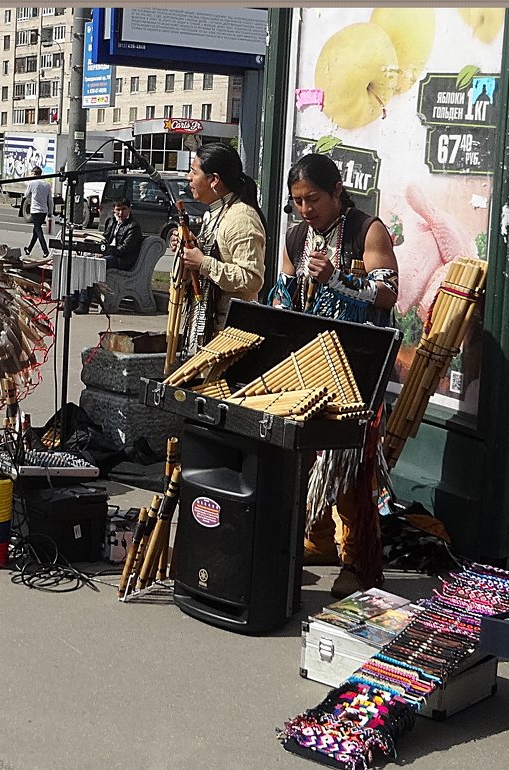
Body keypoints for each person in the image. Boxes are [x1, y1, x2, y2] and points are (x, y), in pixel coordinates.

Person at [271, 152, 399, 597]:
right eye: (298, 201)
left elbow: (387, 294)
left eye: (314, 199)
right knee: (302, 456)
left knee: (349, 463)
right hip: (309, 362)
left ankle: (359, 562)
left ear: (337, 191)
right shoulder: (296, 236)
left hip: (357, 365)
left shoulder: (368, 229)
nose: (306, 210)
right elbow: (283, 294)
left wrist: (339, 280)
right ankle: (318, 539)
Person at [169, 142, 266, 356]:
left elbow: (252, 279)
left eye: (194, 172)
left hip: (230, 339)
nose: (189, 178)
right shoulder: (214, 213)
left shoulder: (241, 217)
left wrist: (202, 263)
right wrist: (188, 247)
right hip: (206, 329)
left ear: (214, 180)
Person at [73, 196, 143, 314]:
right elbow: (104, 239)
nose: (120, 213)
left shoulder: (133, 226)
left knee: (93, 264)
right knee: (83, 261)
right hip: (109, 254)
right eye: (118, 210)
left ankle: (84, 303)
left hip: (122, 260)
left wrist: (103, 252)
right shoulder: (111, 220)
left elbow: (123, 249)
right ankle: (72, 300)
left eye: (124, 209)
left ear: (129, 209)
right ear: (114, 210)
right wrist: (97, 250)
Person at [21, 167, 52, 258]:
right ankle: (29, 249)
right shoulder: (47, 184)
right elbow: (50, 200)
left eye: (32, 173)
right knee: (36, 231)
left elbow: (26, 195)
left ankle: (45, 251)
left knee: (38, 230)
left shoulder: (32, 183)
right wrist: (50, 212)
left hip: (35, 210)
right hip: (44, 211)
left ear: (35, 174)